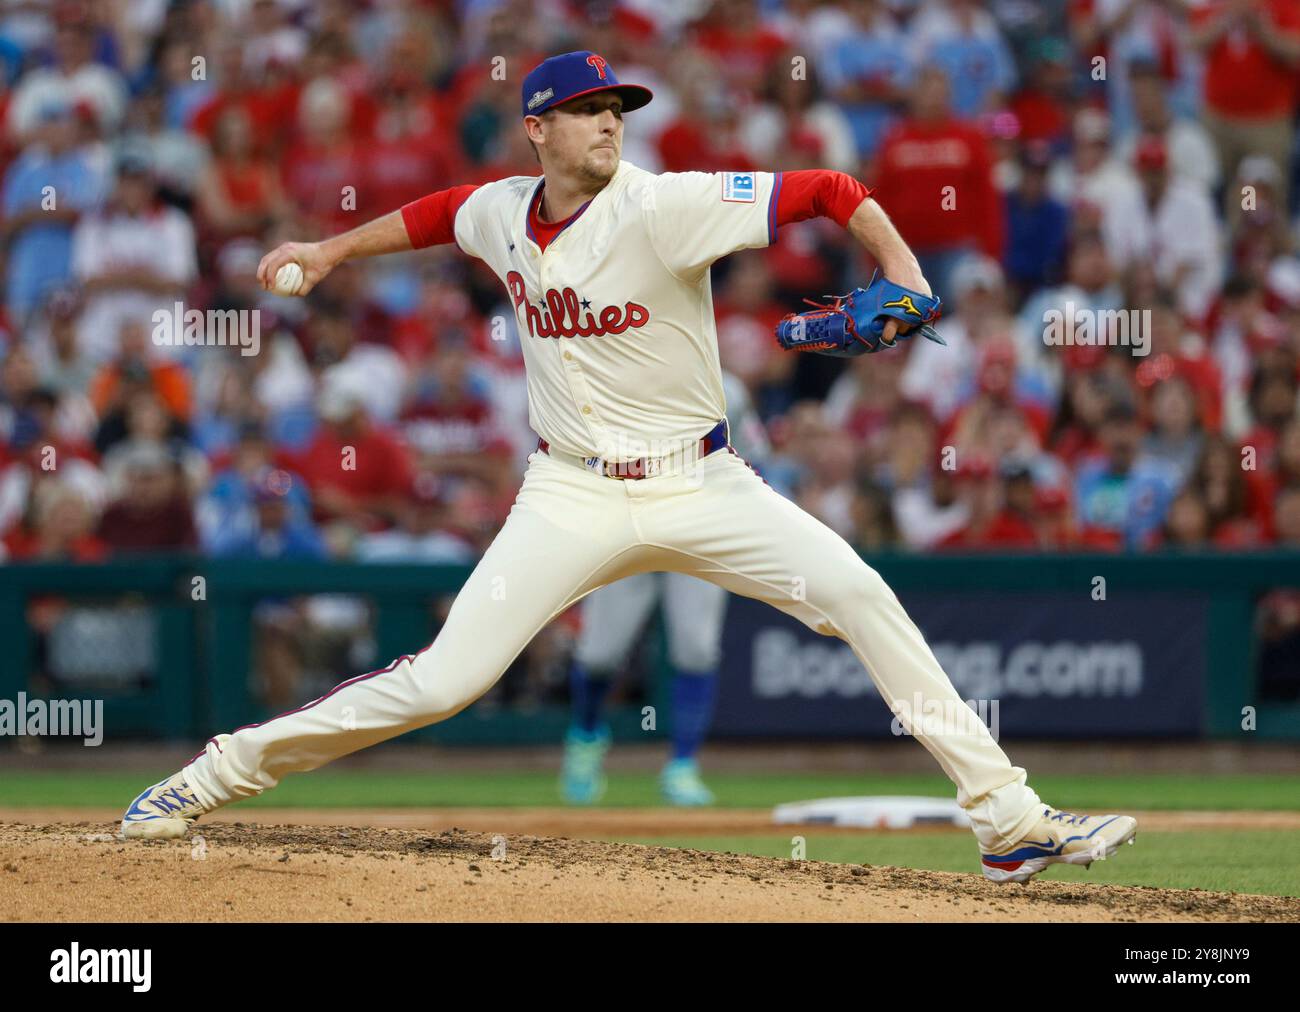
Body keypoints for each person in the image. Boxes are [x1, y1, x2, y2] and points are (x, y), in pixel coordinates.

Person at [119, 51, 1138, 884]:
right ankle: (213, 775)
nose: (609, 124)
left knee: (860, 594)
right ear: (538, 130)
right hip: (569, 490)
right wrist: (334, 250)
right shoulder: (502, 209)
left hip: (704, 482)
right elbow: (438, 215)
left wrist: (904, 271)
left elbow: (830, 188)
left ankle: (1005, 818)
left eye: (618, 109)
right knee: (442, 682)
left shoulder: (664, 205)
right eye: (586, 110)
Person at [561, 371, 766, 807]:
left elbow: (752, 462)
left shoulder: (727, 388)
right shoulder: (616, 379)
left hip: (697, 535)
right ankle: (586, 736)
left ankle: (683, 764)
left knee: (695, 650)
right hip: (628, 531)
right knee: (598, 655)